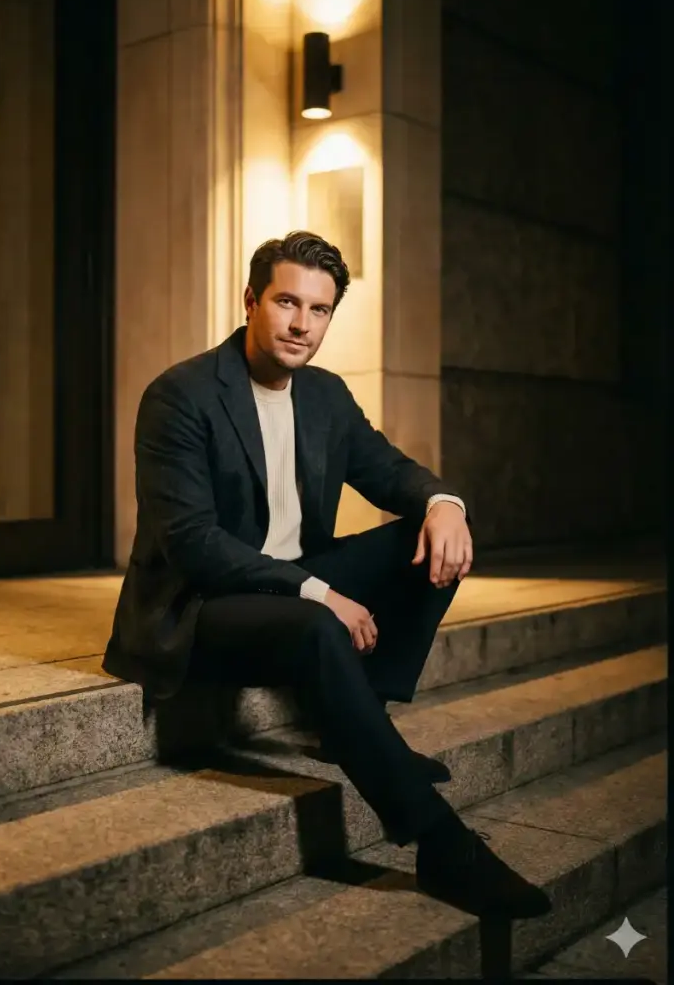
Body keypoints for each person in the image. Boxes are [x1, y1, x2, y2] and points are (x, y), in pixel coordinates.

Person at [104, 231, 551, 920]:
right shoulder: (182, 395)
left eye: (318, 309)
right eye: (286, 302)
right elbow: (193, 543)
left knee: (430, 539)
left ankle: (354, 723)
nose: (300, 324)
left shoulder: (324, 396)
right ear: (251, 301)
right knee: (317, 623)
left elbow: (387, 470)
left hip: (290, 579)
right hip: (201, 604)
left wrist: (443, 504)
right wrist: (318, 591)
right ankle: (439, 844)